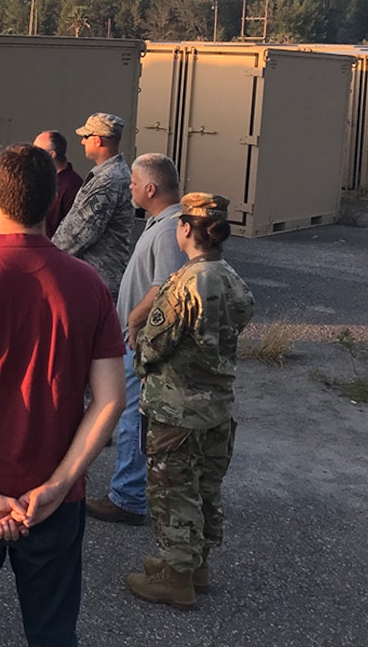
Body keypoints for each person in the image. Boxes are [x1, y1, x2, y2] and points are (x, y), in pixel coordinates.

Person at [0, 144, 127, 646]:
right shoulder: (88, 283)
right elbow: (111, 399)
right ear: (54, 200)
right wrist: (57, 486)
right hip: (53, 499)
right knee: (53, 633)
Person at [125, 192, 255, 610]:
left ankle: (177, 578)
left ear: (185, 229)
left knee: (172, 489)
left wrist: (139, 345)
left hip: (176, 409)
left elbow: (154, 344)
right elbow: (240, 319)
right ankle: (193, 563)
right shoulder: (231, 277)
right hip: (217, 407)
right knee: (205, 487)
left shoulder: (183, 283)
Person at [86, 153, 185, 526]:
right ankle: (130, 491)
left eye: (133, 182)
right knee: (130, 414)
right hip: (133, 340)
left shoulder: (167, 230)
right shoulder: (160, 224)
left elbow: (167, 286)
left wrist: (133, 318)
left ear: (151, 188)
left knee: (132, 417)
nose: (129, 187)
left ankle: (127, 498)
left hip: (139, 342)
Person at [53, 113, 134, 300]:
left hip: (97, 281)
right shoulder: (110, 174)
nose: (82, 142)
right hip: (96, 279)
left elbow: (80, 231)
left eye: (86, 137)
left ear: (97, 141)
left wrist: (50, 257)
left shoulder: (108, 180)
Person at [32, 130, 84, 239]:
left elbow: (73, 229)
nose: (33, 156)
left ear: (52, 154)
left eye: (37, 151)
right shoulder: (40, 180)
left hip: (56, 250)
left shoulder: (72, 186)